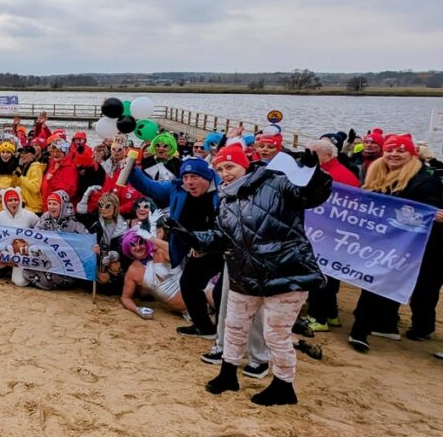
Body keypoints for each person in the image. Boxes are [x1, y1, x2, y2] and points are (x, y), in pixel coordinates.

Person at [181, 142, 331, 406]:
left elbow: (312, 196)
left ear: (244, 164)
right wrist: (192, 236)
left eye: (230, 166)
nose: (225, 173)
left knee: (276, 334)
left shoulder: (276, 182)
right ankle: (228, 374)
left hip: (285, 271)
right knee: (234, 326)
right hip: (245, 273)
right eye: (220, 168)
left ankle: (284, 385)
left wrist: (313, 171)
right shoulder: (226, 199)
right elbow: (221, 237)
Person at [348, 134, 443, 351]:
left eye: (401, 151)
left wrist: (433, 214)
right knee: (375, 282)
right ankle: (380, 326)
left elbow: (428, 209)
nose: (394, 154)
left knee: (414, 288)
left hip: (415, 246)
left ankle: (362, 330)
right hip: (384, 241)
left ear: (412, 155)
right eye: (390, 150)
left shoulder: (425, 181)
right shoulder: (376, 174)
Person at [128, 156, 222, 339]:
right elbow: (149, 187)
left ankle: (227, 330)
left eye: (194, 177)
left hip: (223, 246)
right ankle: (204, 327)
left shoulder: (223, 189)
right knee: (188, 284)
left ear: (207, 176)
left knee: (221, 292)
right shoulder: (177, 188)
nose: (189, 182)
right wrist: (131, 166)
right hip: (193, 246)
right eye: (185, 177)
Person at [302, 138, 360, 332]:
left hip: (328, 232)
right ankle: (332, 314)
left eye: (314, 153)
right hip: (333, 232)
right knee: (330, 274)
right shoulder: (341, 172)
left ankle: (318, 317)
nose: (308, 157)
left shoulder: (331, 175)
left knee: (321, 273)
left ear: (328, 155)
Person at [25, 190, 89, 290]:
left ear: (62, 206)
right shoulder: (46, 217)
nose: (51, 206)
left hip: (66, 264)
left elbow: (86, 240)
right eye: (49, 203)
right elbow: (35, 234)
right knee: (32, 252)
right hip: (48, 259)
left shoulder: (73, 222)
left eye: (55, 204)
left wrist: (93, 247)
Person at [119, 225, 186, 318]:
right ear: (128, 249)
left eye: (140, 242)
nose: (138, 247)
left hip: (202, 291)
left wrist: (152, 239)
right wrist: (138, 310)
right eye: (133, 245)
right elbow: (125, 297)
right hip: (189, 312)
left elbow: (176, 251)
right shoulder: (132, 271)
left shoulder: (160, 252)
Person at [0, 188, 40, 285]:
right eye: (10, 200)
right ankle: (3, 269)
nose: (13, 203)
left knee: (20, 282)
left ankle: (17, 270)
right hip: (4, 251)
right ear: (5, 202)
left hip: (21, 255)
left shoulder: (29, 215)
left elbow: (40, 227)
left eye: (15, 200)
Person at [87, 192, 129, 293]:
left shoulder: (123, 226)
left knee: (115, 266)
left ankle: (116, 286)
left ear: (115, 207)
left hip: (113, 256)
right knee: (103, 277)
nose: (103, 209)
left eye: (107, 206)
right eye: (101, 205)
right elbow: (86, 239)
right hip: (96, 255)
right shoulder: (95, 220)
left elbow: (123, 250)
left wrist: (111, 256)